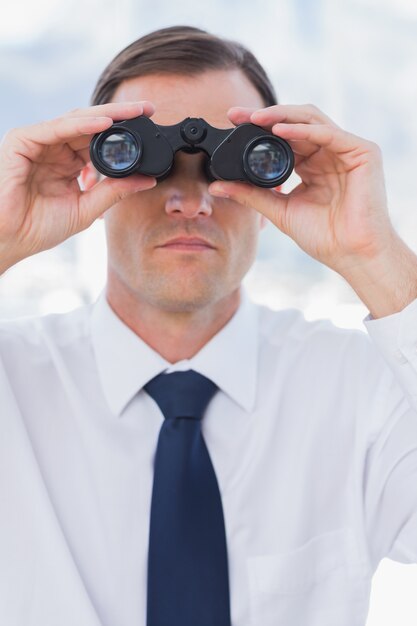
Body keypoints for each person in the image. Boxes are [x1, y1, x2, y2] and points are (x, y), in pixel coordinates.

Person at [0, 24, 416, 626]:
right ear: (90, 174)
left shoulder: (358, 390)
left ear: (274, 181)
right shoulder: (14, 386)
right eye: (143, 162)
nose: (190, 201)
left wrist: (374, 256)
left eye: (237, 167)